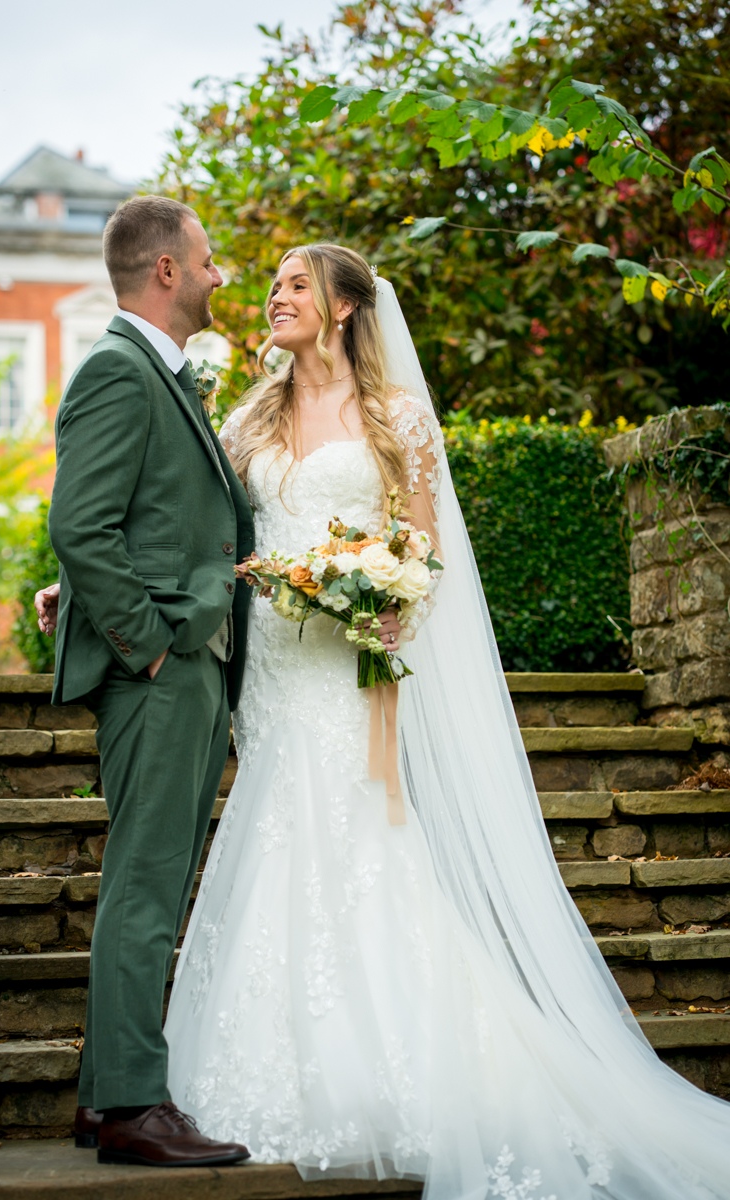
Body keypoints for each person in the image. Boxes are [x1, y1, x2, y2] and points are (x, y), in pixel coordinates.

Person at [38, 241, 730, 1198]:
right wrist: (70, 587)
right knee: (271, 831)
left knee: (357, 836)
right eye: (270, 283)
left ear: (345, 307)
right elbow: (187, 526)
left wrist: (391, 596)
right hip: (269, 672)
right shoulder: (248, 416)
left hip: (346, 668)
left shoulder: (397, 417)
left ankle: (397, 1065)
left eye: (292, 285)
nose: (272, 296)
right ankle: (162, 1086)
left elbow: (424, 544)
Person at [43, 195, 254, 1168]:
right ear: (166, 270)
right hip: (161, 671)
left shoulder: (160, 376)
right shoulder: (116, 372)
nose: (219, 277)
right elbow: (79, 528)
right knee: (144, 888)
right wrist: (150, 645)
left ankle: (101, 1100)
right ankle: (133, 1105)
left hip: (187, 665)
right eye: (207, 261)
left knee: (154, 888)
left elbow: (133, 521)